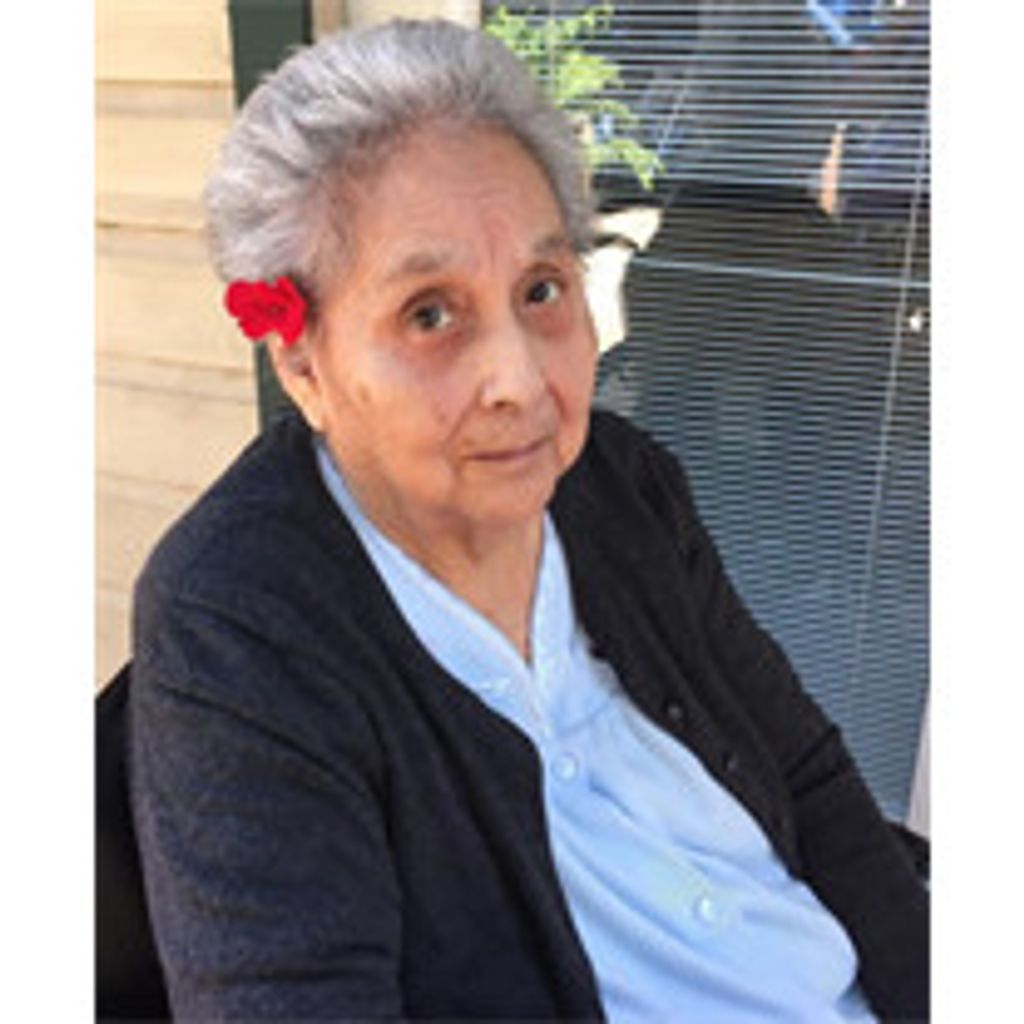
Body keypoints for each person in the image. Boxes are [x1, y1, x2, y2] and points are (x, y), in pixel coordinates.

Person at [128, 18, 928, 1023]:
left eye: (542, 289)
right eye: (430, 313)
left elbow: (808, 781)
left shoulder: (621, 487)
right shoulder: (239, 617)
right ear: (303, 364)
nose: (518, 379)